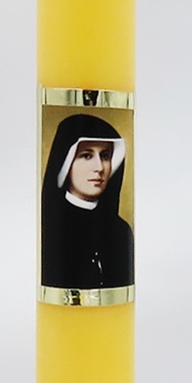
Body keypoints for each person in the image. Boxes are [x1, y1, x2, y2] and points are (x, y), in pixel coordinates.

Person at [41, 113, 134, 290]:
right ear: (66, 162)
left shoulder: (121, 231)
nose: (99, 168)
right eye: (86, 155)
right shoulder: (50, 227)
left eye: (105, 156)